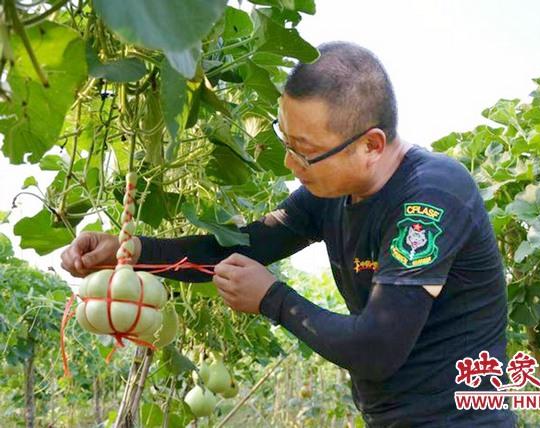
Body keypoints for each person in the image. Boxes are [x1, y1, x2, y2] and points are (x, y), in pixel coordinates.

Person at [61, 42, 516, 427]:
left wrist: (273, 299)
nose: (289, 164)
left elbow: (378, 349)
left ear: (371, 146)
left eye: (306, 151)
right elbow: (245, 244)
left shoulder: (430, 199)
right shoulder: (329, 193)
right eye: (286, 141)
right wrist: (133, 251)